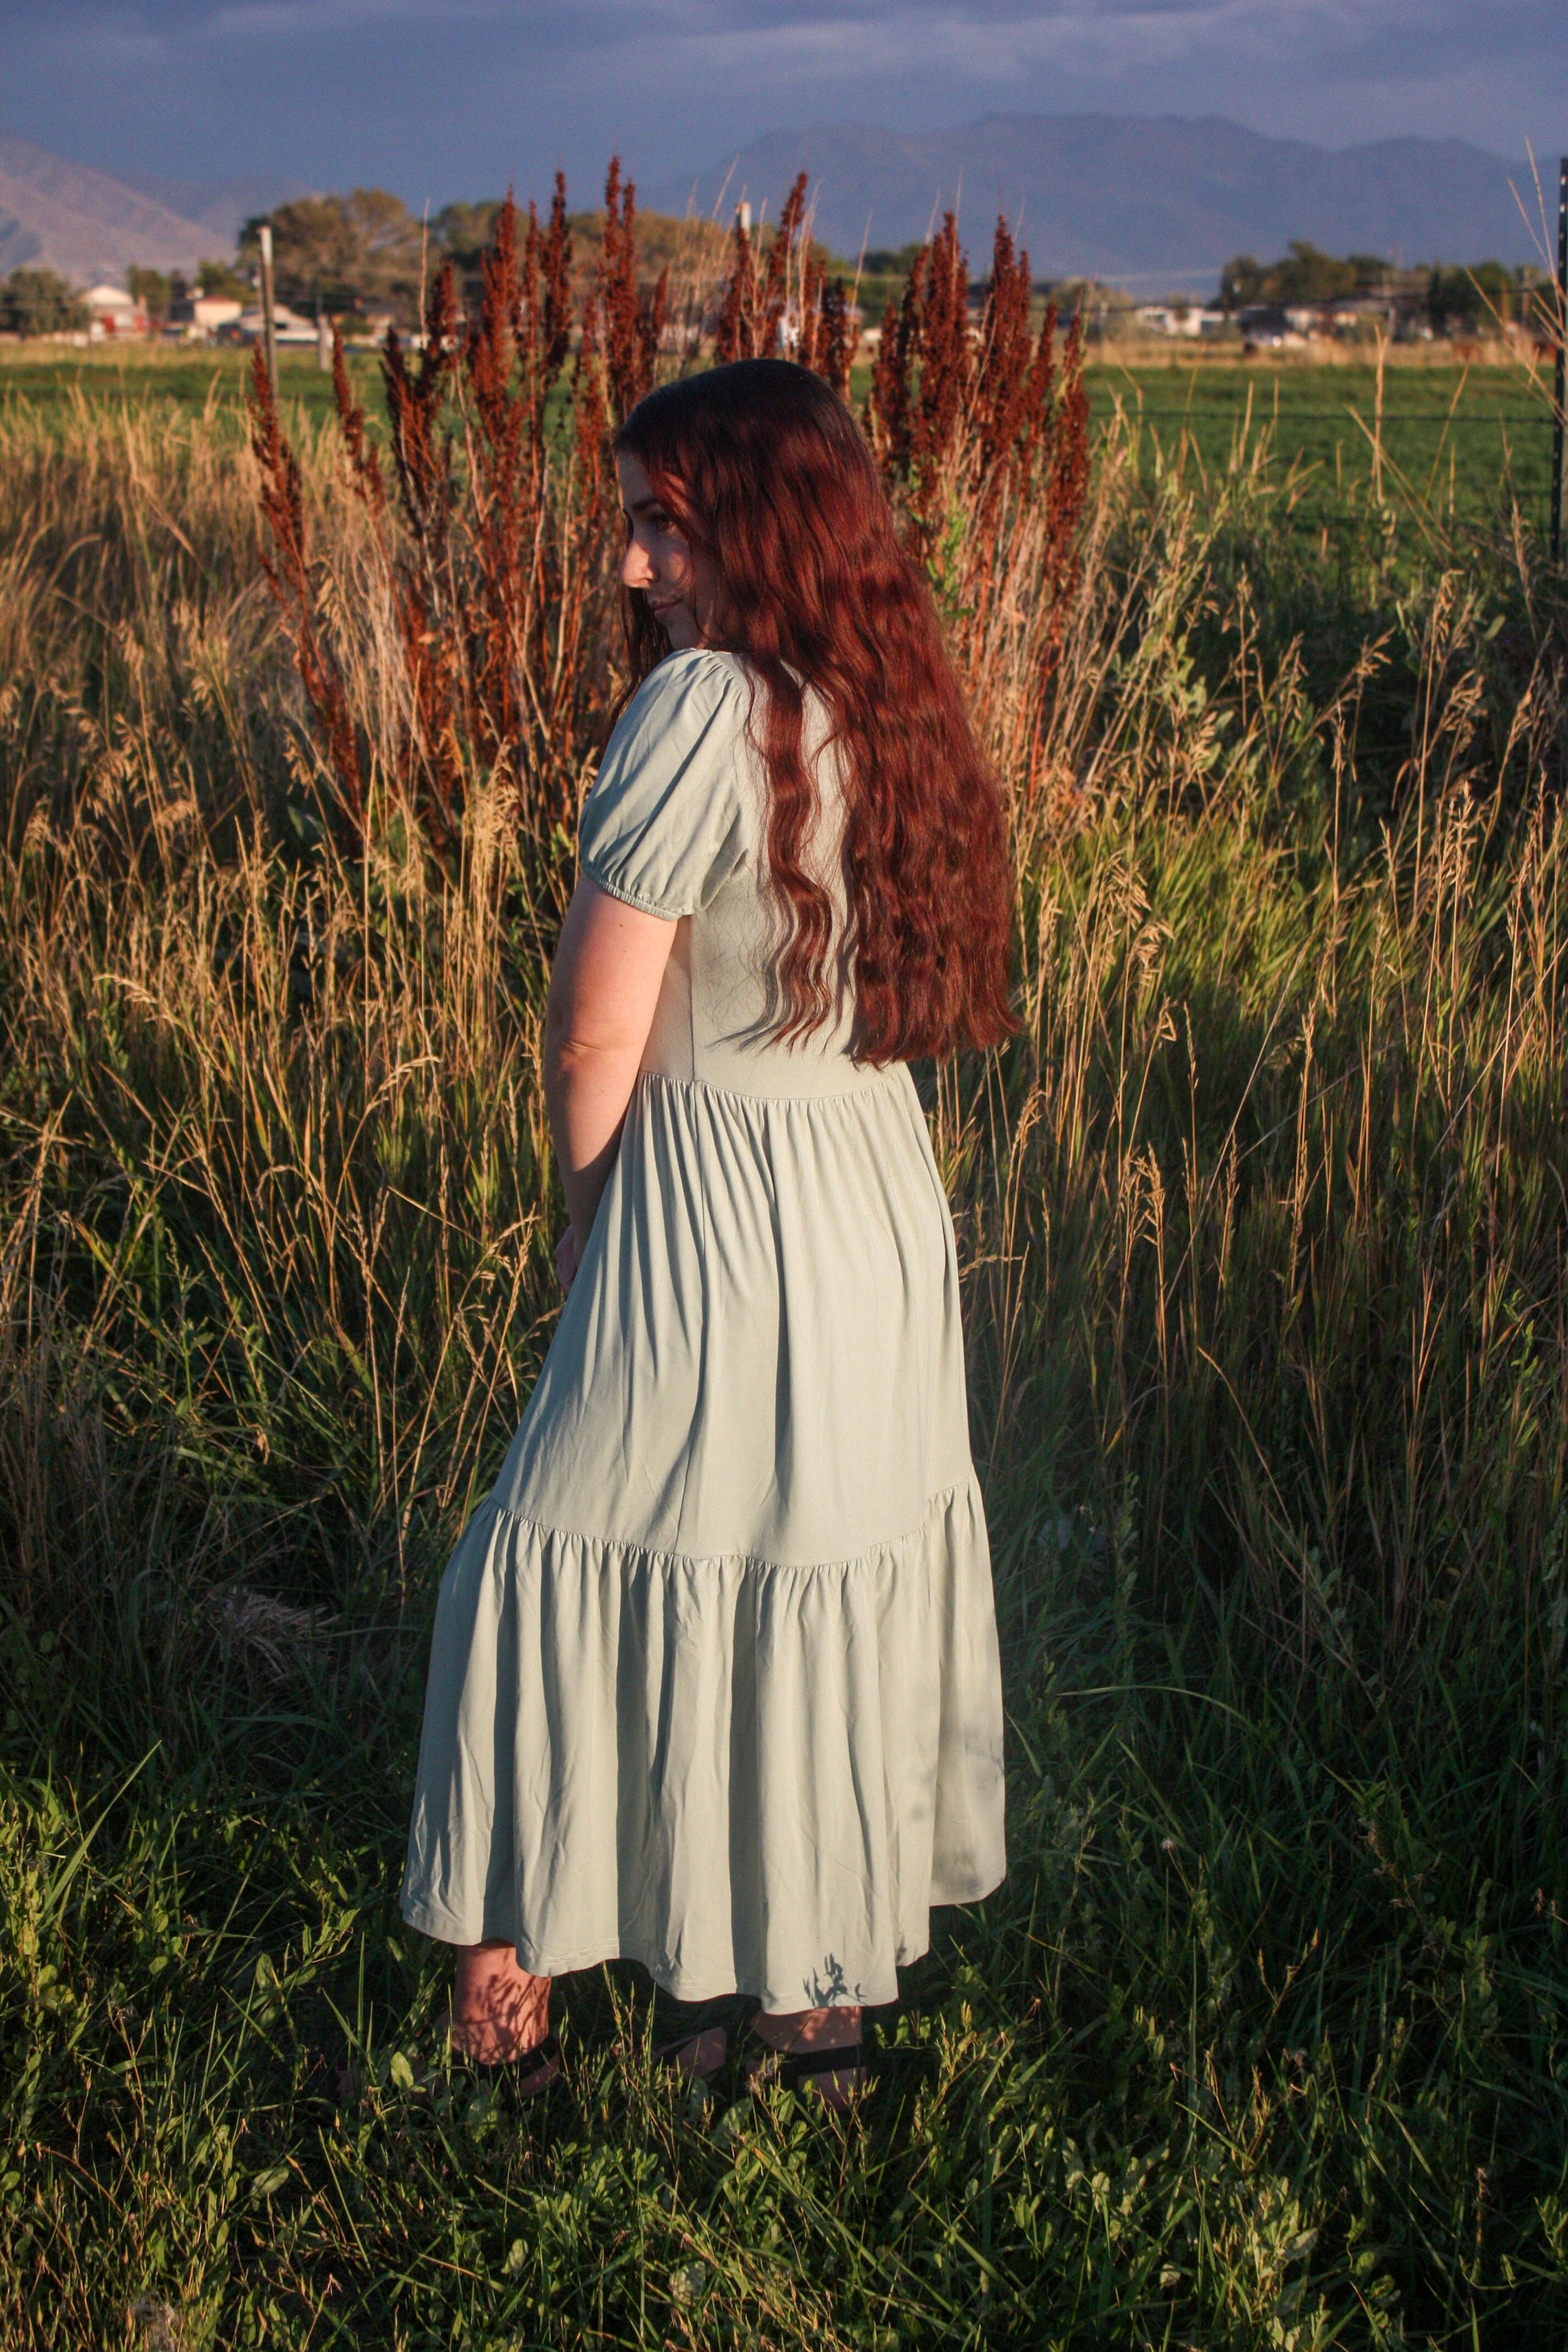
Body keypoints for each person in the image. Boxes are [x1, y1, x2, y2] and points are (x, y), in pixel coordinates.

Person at [400, 358, 1012, 2106]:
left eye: (662, 525)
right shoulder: (889, 696)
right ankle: (804, 2007)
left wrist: (590, 1221)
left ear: (756, 520)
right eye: (631, 526)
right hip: (868, 1196)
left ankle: (503, 2010)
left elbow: (593, 1032)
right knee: (810, 1559)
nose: (632, 566)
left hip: (708, 1200)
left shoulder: (698, 710)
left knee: (554, 1543)